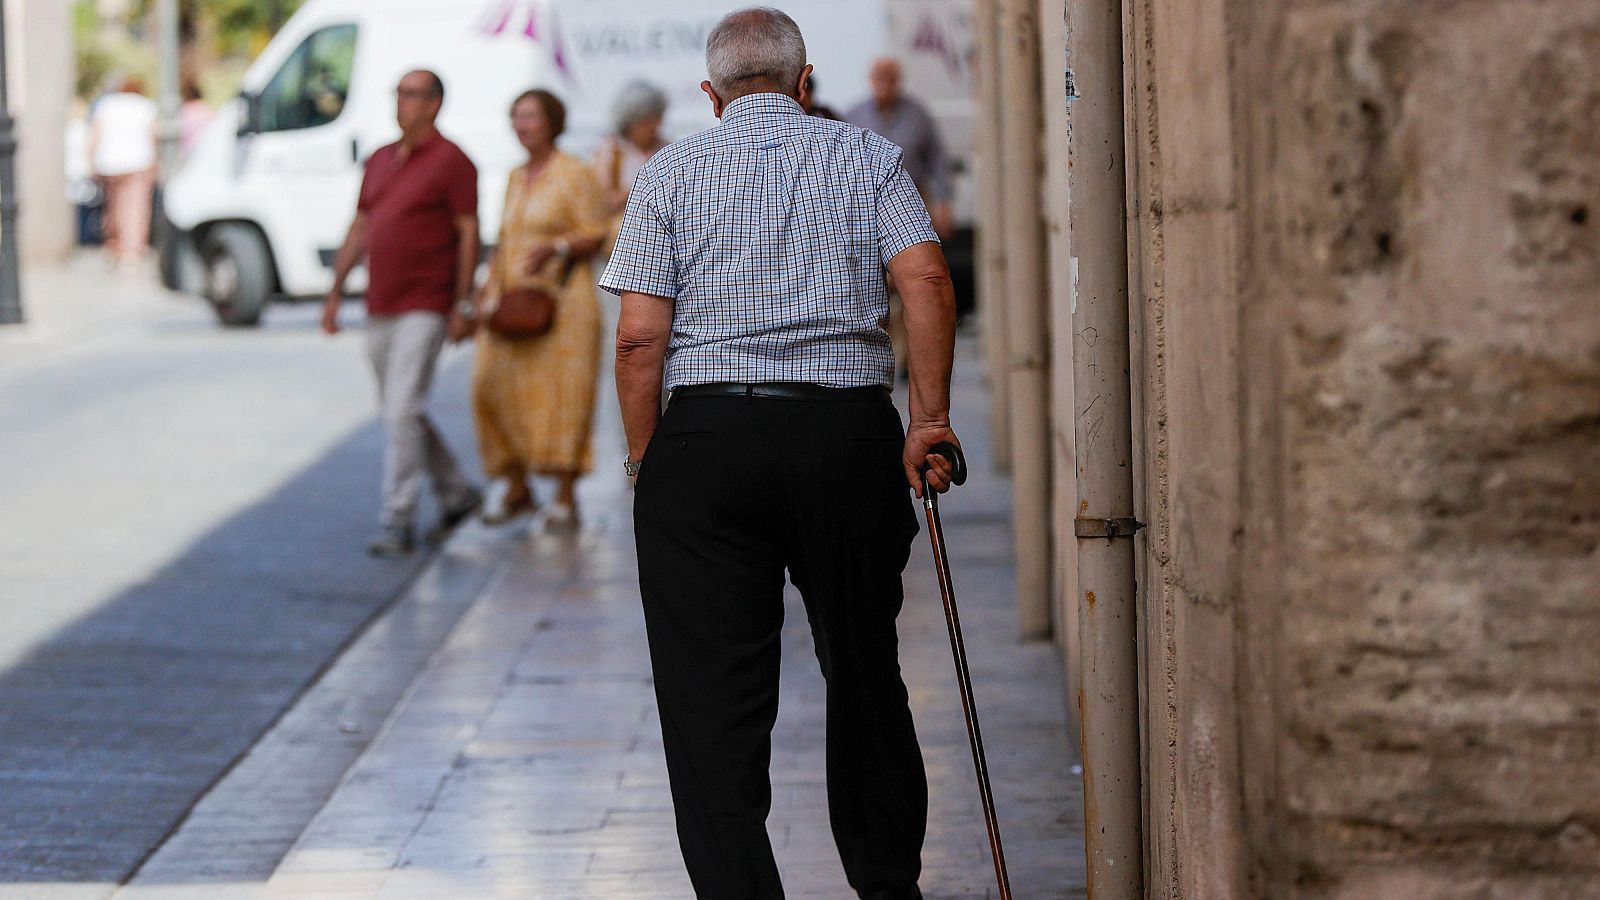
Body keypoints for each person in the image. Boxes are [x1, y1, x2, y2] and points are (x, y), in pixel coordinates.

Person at [602, 7, 960, 899]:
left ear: (710, 96)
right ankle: (887, 884)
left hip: (707, 444)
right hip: (843, 435)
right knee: (864, 666)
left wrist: (650, 466)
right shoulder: (866, 156)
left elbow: (640, 340)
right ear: (805, 84)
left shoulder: (670, 171)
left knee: (711, 699)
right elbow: (924, 275)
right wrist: (927, 419)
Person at [321, 70, 483, 557]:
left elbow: (469, 232)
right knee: (402, 409)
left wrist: (462, 302)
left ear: (434, 103)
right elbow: (361, 225)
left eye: (412, 95)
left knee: (401, 408)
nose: (402, 103)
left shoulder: (453, 161)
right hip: (380, 302)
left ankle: (398, 518)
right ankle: (457, 492)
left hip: (426, 302)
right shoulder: (379, 159)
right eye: (398, 93)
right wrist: (334, 292)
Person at [469, 89, 608, 530]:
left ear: (551, 121)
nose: (521, 125)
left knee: (563, 397)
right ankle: (516, 484)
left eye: (529, 116)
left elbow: (599, 233)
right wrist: (487, 288)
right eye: (515, 117)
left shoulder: (575, 173)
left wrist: (558, 246)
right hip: (512, 300)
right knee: (487, 387)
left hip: (565, 302)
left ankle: (564, 496)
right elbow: (504, 239)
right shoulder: (514, 175)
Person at [89, 76, 158, 270]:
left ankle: (115, 245)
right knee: (135, 208)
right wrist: (156, 161)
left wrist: (91, 161)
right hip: (138, 162)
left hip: (109, 163)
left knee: (113, 206)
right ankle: (132, 250)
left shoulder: (107, 105)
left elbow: (95, 135)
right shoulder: (145, 106)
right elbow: (153, 136)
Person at [591, 80, 669, 248]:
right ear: (632, 120)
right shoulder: (611, 151)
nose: (656, 126)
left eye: (658, 118)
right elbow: (603, 205)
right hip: (620, 241)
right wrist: (643, 180)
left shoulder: (666, 148)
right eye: (649, 120)